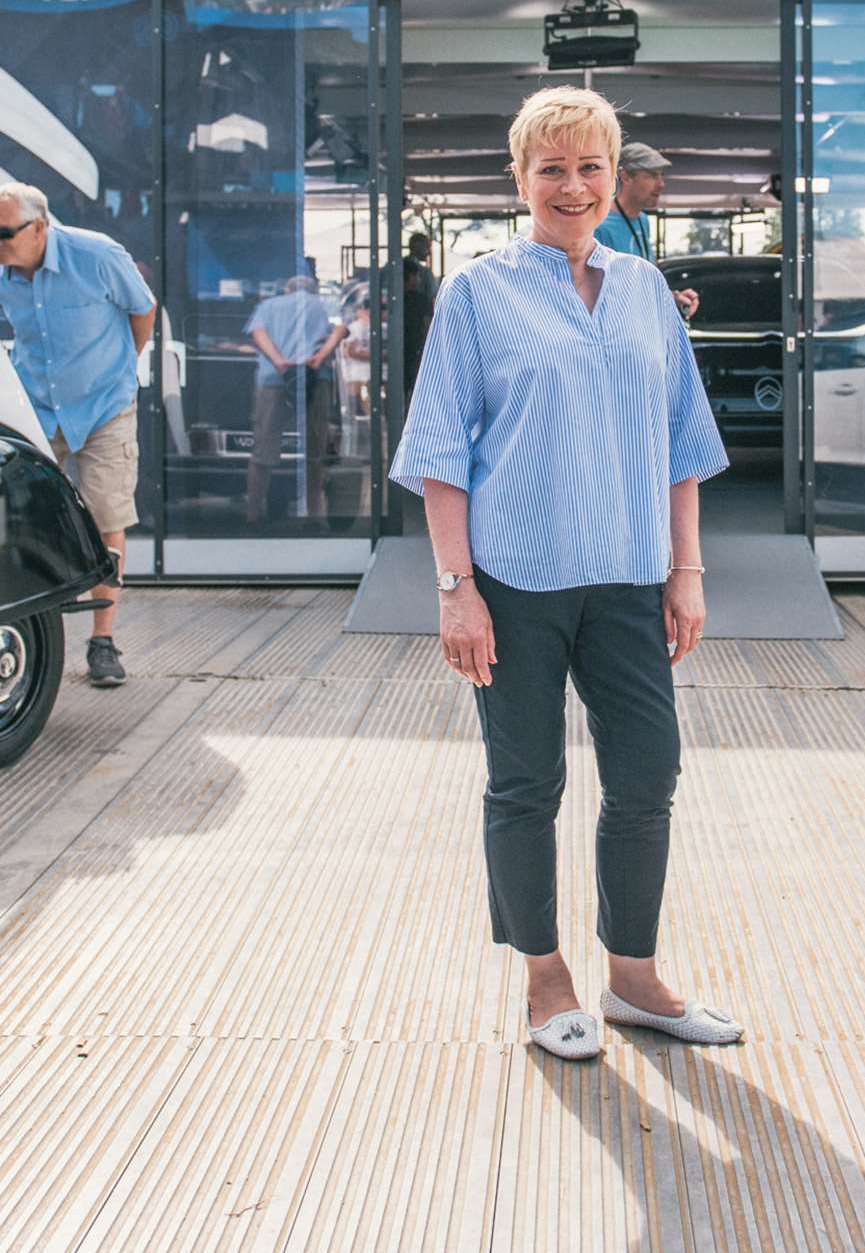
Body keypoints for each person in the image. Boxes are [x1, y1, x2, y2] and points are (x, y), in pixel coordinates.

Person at [390, 85, 739, 1063]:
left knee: (646, 772)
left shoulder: (639, 291)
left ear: (612, 177)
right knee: (524, 781)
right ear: (519, 180)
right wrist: (455, 591)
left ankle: (633, 975)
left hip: (628, 579)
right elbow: (439, 455)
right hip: (514, 586)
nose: (573, 187)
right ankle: (544, 977)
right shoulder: (476, 294)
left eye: (591, 167)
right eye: (552, 169)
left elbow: (679, 442)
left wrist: (687, 573)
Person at [0, 182, 156, 689]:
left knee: (106, 516)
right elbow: (3, 320)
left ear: (39, 227)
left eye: (4, 232)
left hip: (104, 406)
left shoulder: (97, 256)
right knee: (24, 515)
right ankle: (32, 629)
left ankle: (102, 640)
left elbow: (144, 309)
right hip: (37, 407)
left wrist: (120, 371)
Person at [244, 272, 342, 524]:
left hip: (273, 379)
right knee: (315, 448)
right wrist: (318, 359)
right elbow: (340, 330)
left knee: (263, 446)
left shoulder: (269, 305)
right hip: (315, 377)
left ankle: (253, 513)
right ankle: (315, 514)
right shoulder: (322, 305)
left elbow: (258, 332)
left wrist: (279, 362)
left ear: (287, 289)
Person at [591, 141, 700, 319]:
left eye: (662, 176)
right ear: (625, 177)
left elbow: (641, 283)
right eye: (652, 175)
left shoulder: (642, 220)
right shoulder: (600, 226)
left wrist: (672, 298)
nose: (661, 184)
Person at [400, 230, 438, 399]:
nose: (428, 252)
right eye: (426, 247)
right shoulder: (423, 273)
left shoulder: (392, 266)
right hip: (415, 335)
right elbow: (432, 303)